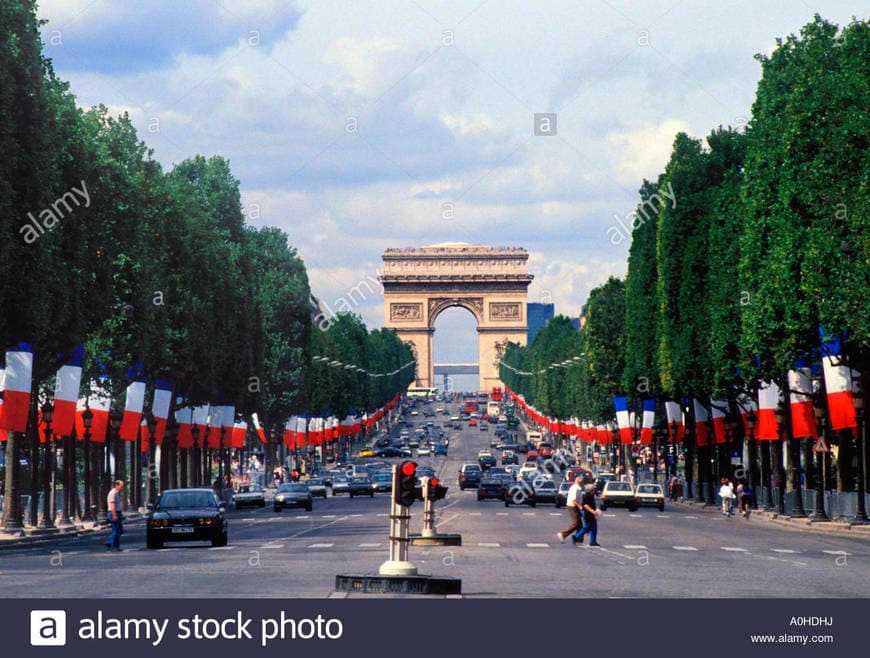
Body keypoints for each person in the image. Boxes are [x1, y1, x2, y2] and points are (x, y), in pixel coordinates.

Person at [556, 477, 585, 543]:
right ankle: (563, 534)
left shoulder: (578, 488)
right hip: (573, 506)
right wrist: (580, 506)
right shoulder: (575, 488)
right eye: (583, 482)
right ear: (580, 482)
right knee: (576, 523)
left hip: (575, 506)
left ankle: (578, 539)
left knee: (580, 525)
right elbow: (574, 500)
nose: (584, 483)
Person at [105, 480, 124, 552]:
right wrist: (114, 514)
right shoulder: (113, 493)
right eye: (121, 486)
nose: (122, 488)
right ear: (117, 485)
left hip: (117, 512)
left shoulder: (117, 493)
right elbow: (112, 504)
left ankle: (113, 544)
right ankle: (112, 545)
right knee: (115, 531)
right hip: (114, 512)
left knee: (119, 530)